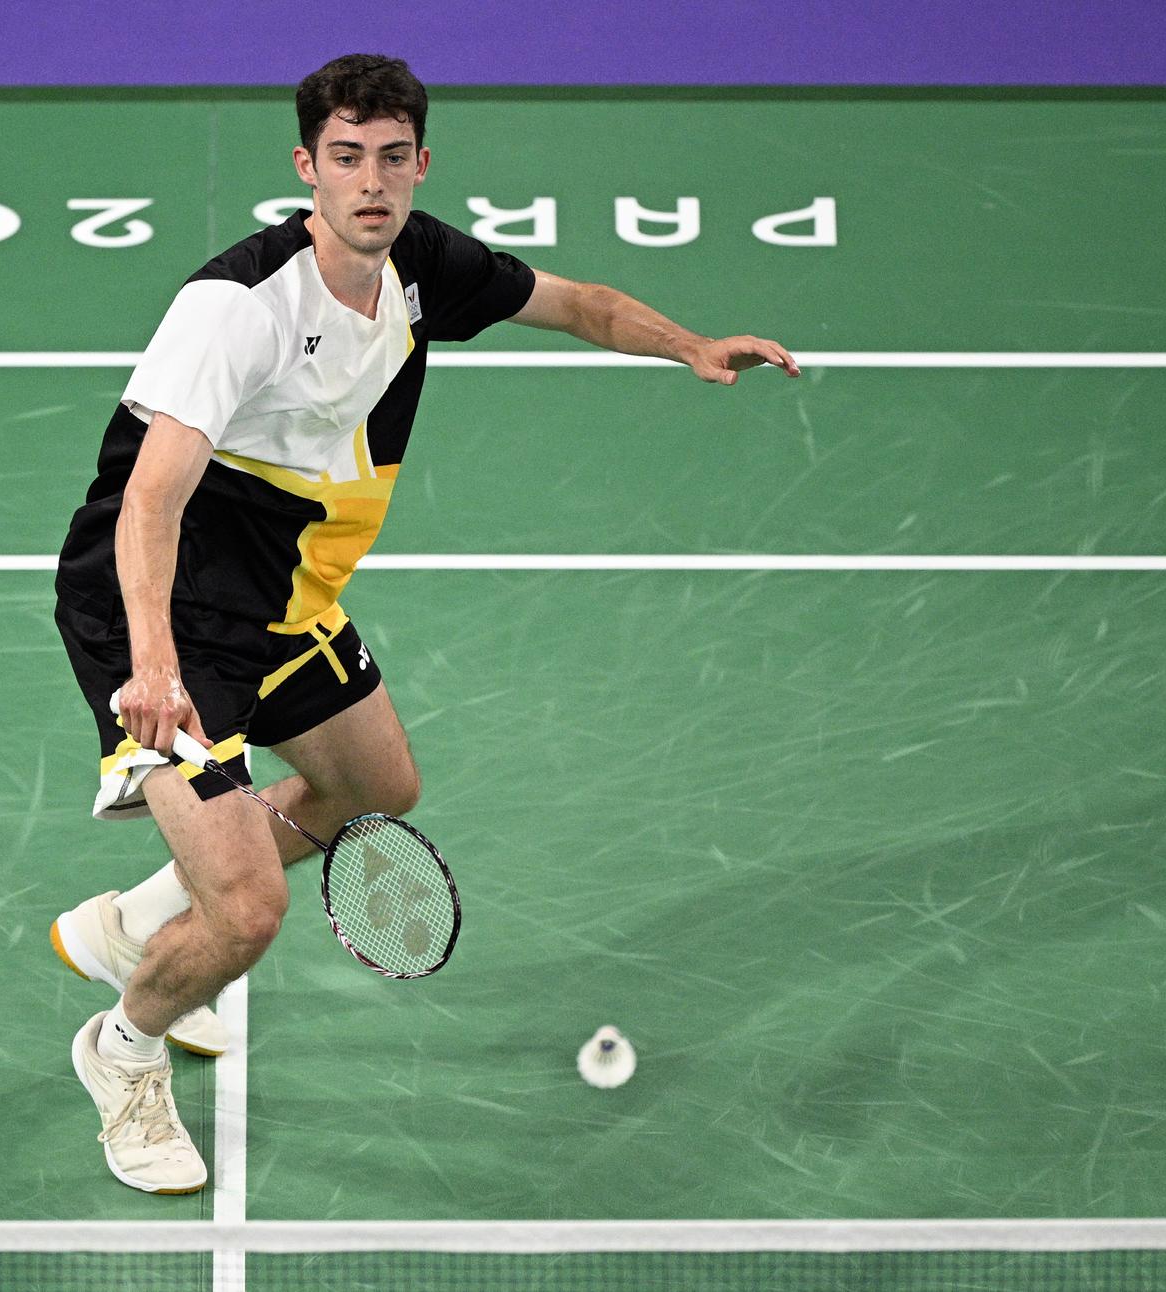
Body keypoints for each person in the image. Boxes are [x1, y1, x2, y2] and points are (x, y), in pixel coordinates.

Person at [49, 52, 799, 1194]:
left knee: (375, 784)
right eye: (345, 158)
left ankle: (136, 921)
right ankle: (124, 1044)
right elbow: (150, 499)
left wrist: (689, 343)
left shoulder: (420, 266)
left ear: (420, 164)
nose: (371, 183)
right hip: (164, 610)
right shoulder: (238, 307)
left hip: (288, 596)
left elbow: (578, 304)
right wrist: (153, 669)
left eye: (392, 158)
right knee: (248, 910)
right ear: (307, 167)